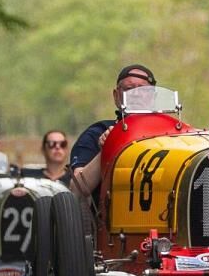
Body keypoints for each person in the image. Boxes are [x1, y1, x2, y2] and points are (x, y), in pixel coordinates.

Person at [66, 64, 156, 200]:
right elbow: (76, 190)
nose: (136, 95)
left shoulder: (172, 134)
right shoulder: (96, 133)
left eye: (143, 90)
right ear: (116, 96)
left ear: (154, 97)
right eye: (129, 89)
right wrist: (107, 149)